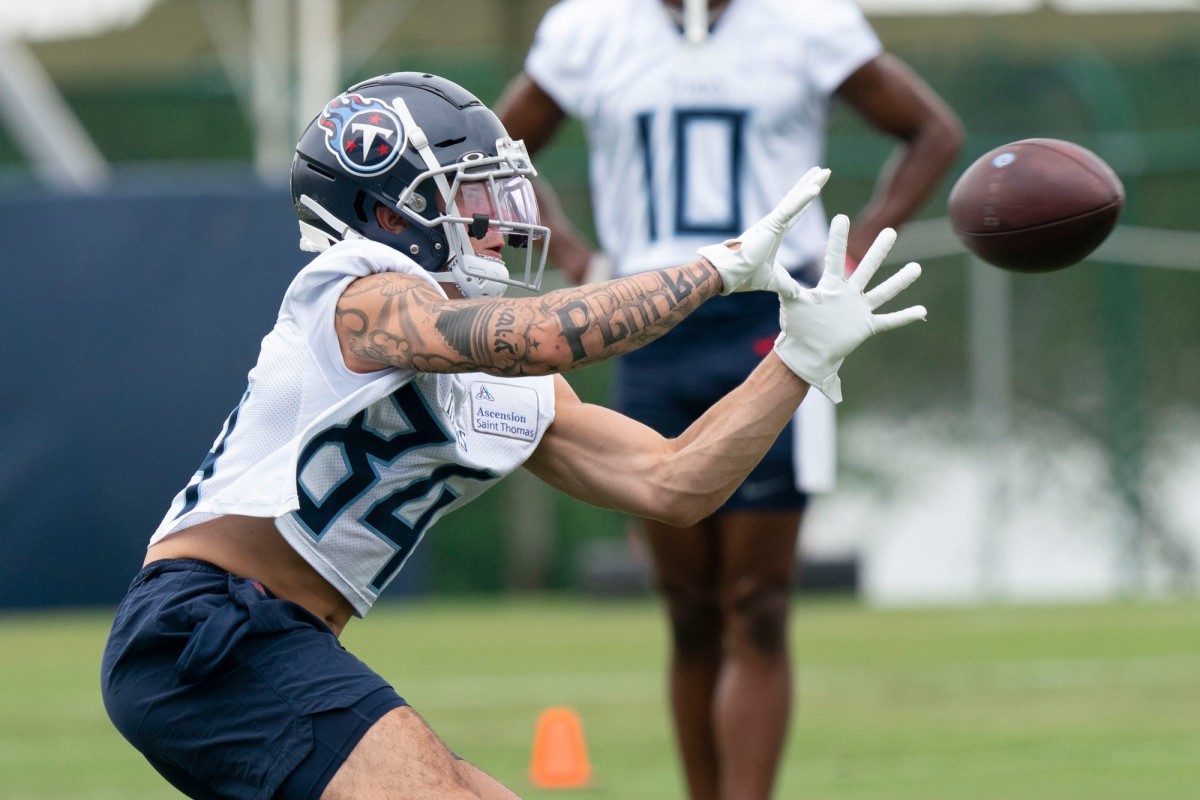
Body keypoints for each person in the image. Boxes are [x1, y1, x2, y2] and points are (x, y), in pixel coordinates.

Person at [99, 71, 925, 800]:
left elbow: (675, 484)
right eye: (470, 194)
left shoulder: (499, 383)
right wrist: (717, 267)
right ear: (387, 212)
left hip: (281, 645)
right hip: (204, 629)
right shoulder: (354, 297)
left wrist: (797, 360)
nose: (499, 219)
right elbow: (544, 336)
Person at [494, 2, 963, 798]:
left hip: (774, 314)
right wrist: (577, 258)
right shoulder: (588, 26)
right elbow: (497, 151)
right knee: (687, 607)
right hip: (646, 315)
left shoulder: (807, 20)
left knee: (759, 601)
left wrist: (844, 263)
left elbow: (933, 131)